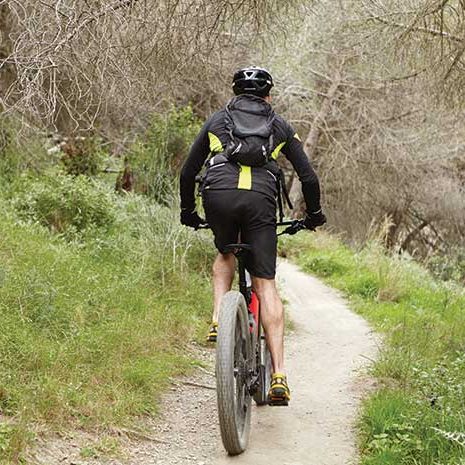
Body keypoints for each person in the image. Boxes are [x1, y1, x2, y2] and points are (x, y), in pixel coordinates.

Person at [179, 66, 326, 404]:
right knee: (265, 283)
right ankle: (278, 376)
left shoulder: (217, 121)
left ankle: (218, 318)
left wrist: (189, 212)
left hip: (219, 194)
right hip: (260, 200)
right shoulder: (280, 126)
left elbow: (188, 171)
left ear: (234, 93)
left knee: (225, 253)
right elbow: (310, 179)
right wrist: (314, 215)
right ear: (268, 96)